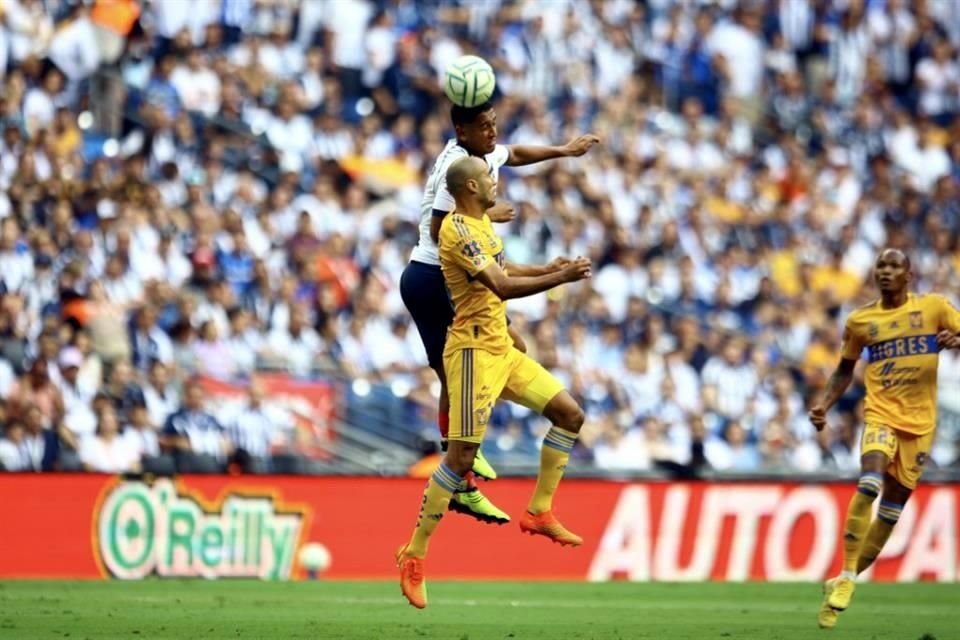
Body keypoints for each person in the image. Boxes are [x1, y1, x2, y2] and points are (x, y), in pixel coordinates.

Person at [396, 156, 593, 609]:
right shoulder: (458, 231)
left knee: (569, 413)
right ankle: (415, 553)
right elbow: (500, 285)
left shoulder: (481, 225)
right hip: (471, 354)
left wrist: (548, 265)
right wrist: (560, 277)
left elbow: (506, 268)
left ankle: (539, 510)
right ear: (468, 187)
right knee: (460, 456)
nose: (494, 181)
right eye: (487, 177)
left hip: (501, 347)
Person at [398, 98, 599, 525]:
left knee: (513, 347)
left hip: (450, 274)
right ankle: (461, 472)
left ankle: (466, 453)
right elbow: (440, 229)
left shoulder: (481, 156)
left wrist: (564, 150)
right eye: (485, 126)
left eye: (494, 124)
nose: (494, 133)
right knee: (454, 373)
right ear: (462, 131)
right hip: (434, 277)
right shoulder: (456, 167)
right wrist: (487, 214)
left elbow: (517, 154)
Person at [809, 248, 960, 629]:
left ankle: (846, 579)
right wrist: (824, 404)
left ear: (909, 275)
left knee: (890, 514)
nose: (886, 271)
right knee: (868, 484)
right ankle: (846, 574)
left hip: (921, 425)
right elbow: (844, 369)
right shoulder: (861, 320)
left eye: (894, 266)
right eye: (881, 265)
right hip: (880, 413)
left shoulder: (935, 308)